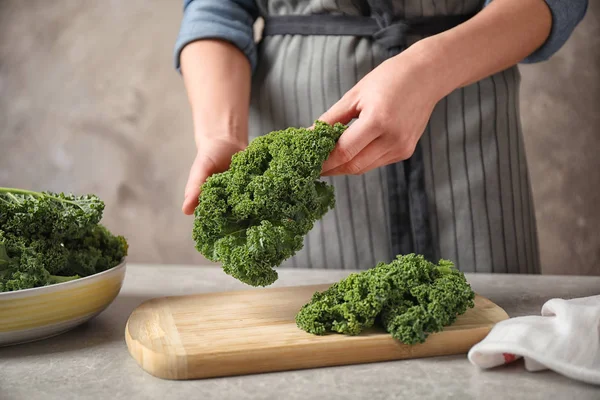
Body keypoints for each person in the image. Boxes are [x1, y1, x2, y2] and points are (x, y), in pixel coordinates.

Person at [173, 0, 587, 273]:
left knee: (494, 333)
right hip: (300, 117)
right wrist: (222, 136)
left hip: (468, 116)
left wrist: (430, 68)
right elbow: (217, 9)